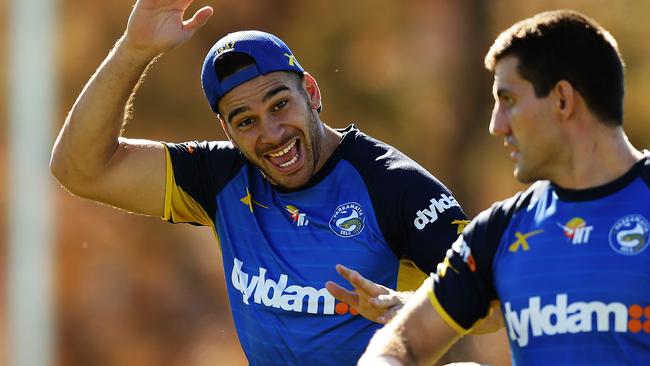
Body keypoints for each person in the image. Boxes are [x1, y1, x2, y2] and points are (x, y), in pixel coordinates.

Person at [49, 0, 470, 364]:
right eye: (246, 121)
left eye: (280, 104)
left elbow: (492, 297)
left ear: (312, 92)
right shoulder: (221, 177)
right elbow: (77, 169)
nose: (271, 134)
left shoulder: (393, 184)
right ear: (226, 130)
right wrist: (133, 50)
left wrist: (411, 305)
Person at [358, 9, 650, 366]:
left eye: (508, 101)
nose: (496, 125)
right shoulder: (499, 231)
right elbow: (403, 340)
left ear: (562, 99)